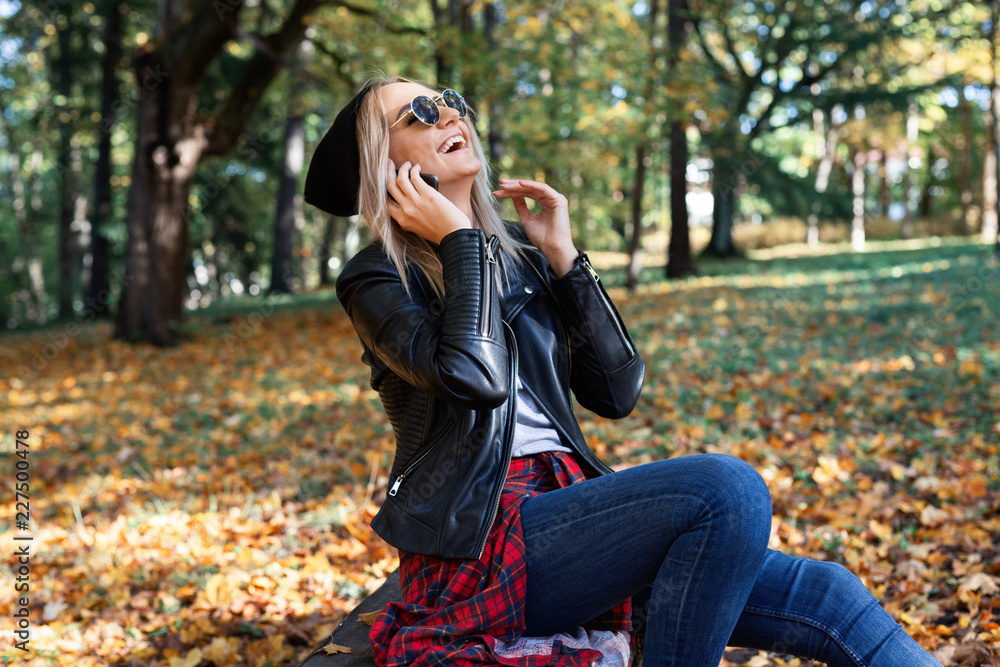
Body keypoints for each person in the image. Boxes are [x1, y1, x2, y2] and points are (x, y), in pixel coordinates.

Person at [303, 75, 942, 667]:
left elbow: (616, 390)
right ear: (385, 163)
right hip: (483, 544)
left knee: (825, 593)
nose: (448, 114)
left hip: (565, 510)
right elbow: (476, 378)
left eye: (449, 99)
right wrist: (460, 241)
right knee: (725, 490)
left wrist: (564, 258)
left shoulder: (521, 256)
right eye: (419, 112)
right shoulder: (377, 277)